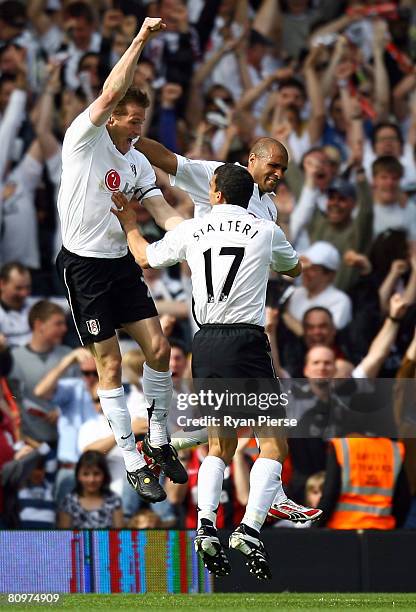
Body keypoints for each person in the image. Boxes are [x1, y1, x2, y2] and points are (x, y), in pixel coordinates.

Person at [110, 163, 319, 580]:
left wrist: (129, 220)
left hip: (205, 345)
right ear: (249, 195)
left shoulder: (193, 228)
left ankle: (206, 524)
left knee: (219, 448)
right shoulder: (265, 229)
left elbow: (144, 256)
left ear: (216, 193)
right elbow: (294, 269)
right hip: (247, 342)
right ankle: (249, 528)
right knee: (273, 447)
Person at [55, 16, 188, 504]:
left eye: (142, 123)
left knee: (158, 349)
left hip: (119, 264)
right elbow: (110, 92)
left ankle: (157, 440)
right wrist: (140, 39)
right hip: (84, 266)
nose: (137, 129)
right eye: (131, 121)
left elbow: (161, 210)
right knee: (108, 363)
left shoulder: (135, 161)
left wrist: (196, 236)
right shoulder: (83, 140)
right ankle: (133, 462)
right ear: (111, 118)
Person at [57, 450, 124, 529]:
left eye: (96, 474)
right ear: (78, 476)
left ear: (104, 475)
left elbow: (120, 533)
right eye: (86, 474)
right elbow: (64, 535)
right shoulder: (69, 501)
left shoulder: (113, 500)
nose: (91, 480)